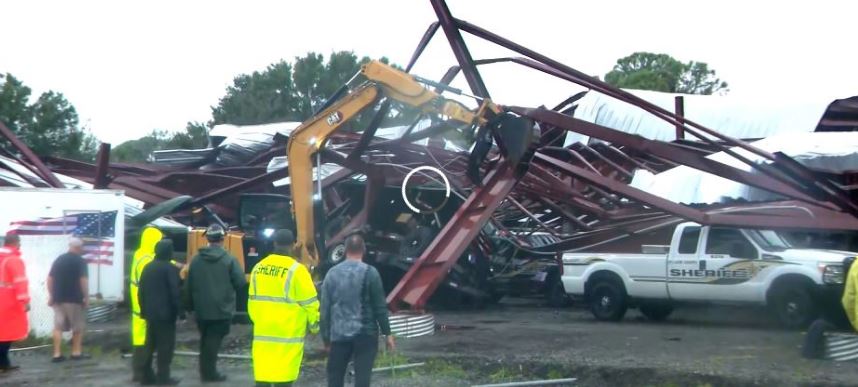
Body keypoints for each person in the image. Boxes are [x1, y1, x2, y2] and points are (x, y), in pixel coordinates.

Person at [248, 230, 319, 387]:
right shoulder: (298, 271)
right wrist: (314, 326)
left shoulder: (258, 268)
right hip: (288, 340)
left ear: (274, 244)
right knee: (284, 381)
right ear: (294, 245)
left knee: (262, 380)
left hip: (263, 340)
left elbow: (251, 304)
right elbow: (311, 304)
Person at [321, 233, 394, 387]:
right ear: (364, 250)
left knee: (335, 377)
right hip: (365, 335)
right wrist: (387, 334)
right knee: (362, 379)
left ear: (345, 250)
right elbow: (380, 307)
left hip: (339, 336)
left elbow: (325, 310)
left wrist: (326, 339)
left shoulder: (331, 274)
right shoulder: (371, 273)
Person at [183, 224, 246, 383]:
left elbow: (188, 285)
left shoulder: (196, 260)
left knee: (205, 339)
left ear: (208, 239)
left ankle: (206, 371)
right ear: (222, 239)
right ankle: (209, 374)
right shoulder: (229, 260)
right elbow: (240, 283)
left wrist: (188, 307)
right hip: (222, 309)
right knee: (213, 341)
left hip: (201, 310)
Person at [138, 239, 182, 385]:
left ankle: (145, 376)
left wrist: (143, 310)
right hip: (166, 316)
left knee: (149, 346)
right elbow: (174, 292)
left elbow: (141, 291)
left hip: (150, 314)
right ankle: (163, 378)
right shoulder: (169, 269)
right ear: (168, 252)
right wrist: (180, 311)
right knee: (165, 348)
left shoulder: (148, 267)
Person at [48, 238, 90, 362]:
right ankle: (76, 352)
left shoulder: (59, 260)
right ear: (78, 247)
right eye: (82, 247)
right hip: (74, 299)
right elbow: (83, 280)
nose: (83, 250)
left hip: (58, 299)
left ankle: (57, 354)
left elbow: (50, 279)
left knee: (58, 327)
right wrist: (86, 297)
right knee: (77, 327)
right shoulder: (80, 261)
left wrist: (51, 295)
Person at [131, 226, 164, 382]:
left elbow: (160, 259)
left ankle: (138, 373)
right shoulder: (146, 261)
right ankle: (142, 373)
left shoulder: (140, 254)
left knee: (139, 340)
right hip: (144, 308)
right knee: (145, 343)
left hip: (138, 308)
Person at [0, 233, 29, 374]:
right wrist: (25, 301)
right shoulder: (13, 260)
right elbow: (20, 282)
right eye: (19, 242)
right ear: (16, 243)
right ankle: (2, 364)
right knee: (6, 334)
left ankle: (4, 364)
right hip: (9, 301)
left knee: (2, 334)